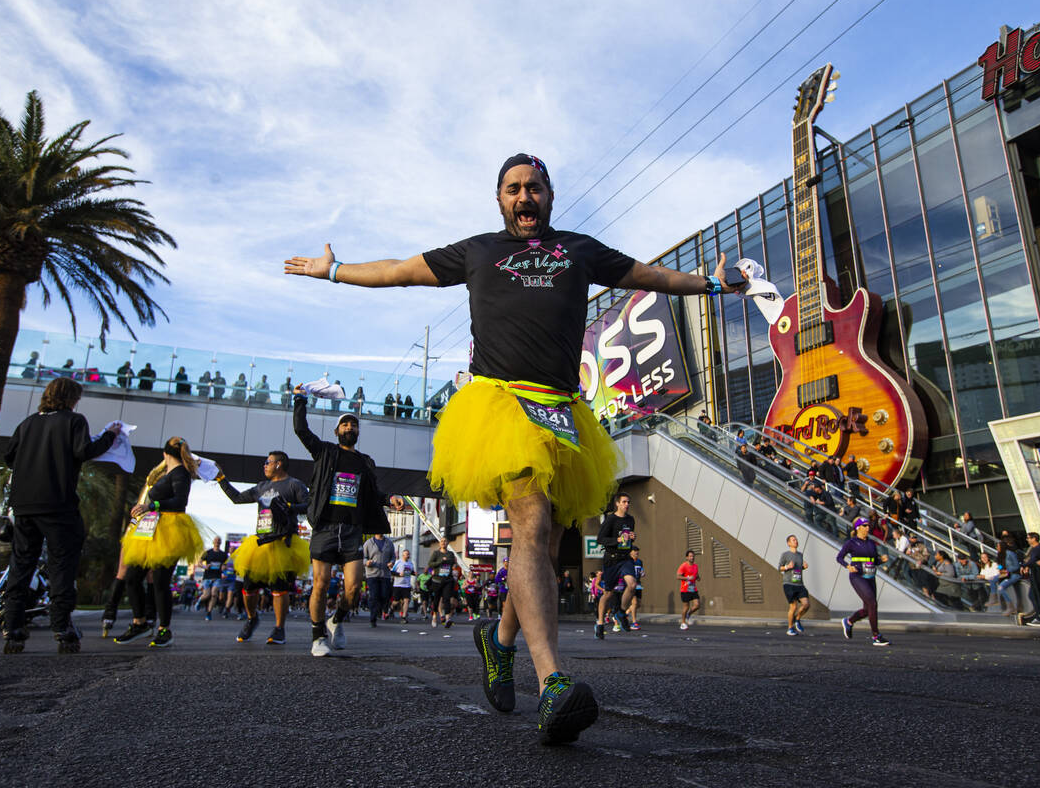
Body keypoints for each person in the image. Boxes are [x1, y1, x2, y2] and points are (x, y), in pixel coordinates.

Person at [283, 151, 739, 744]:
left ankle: (498, 642)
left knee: (546, 542)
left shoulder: (580, 249)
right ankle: (552, 682)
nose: (524, 197)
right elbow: (398, 270)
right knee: (530, 519)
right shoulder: (477, 251)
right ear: (499, 199)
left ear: (550, 196)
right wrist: (335, 269)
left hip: (562, 408)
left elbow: (651, 277)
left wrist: (711, 283)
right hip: (500, 405)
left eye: (534, 188)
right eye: (513, 189)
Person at [2, 378, 120, 653]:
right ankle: (61, 626)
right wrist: (110, 435)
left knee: (21, 564)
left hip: (24, 505)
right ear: (71, 398)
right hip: (57, 503)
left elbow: (10, 457)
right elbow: (85, 450)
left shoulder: (28, 423)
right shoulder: (74, 421)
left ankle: (13, 626)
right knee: (62, 565)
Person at [294, 397, 403, 656]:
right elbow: (301, 429)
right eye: (345, 425)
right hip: (326, 528)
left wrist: (389, 498)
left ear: (358, 432)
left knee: (354, 589)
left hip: (353, 530)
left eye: (353, 425)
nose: (349, 428)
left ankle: (337, 619)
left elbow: (373, 492)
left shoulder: (365, 461)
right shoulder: (325, 451)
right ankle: (318, 635)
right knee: (320, 583)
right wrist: (300, 400)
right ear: (336, 431)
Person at [112, 437, 206, 647]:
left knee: (161, 582)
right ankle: (140, 622)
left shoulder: (180, 473)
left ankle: (164, 629)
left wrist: (151, 505)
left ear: (164, 454)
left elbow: (180, 502)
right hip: (151, 530)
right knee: (133, 577)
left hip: (169, 531)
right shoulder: (167, 474)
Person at [218, 450, 310, 645]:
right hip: (260, 543)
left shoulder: (295, 485)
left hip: (283, 543)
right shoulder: (261, 487)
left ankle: (279, 628)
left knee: (279, 588)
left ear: (278, 464)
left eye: (268, 462)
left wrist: (290, 506)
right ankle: (252, 618)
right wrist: (221, 479)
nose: (264, 465)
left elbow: (309, 506)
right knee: (249, 586)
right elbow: (236, 498)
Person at [836, 518, 891, 646]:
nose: (868, 528)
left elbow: (873, 560)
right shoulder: (852, 542)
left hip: (870, 576)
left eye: (868, 526)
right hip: (857, 576)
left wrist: (881, 560)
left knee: (868, 609)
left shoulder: (871, 543)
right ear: (858, 528)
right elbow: (839, 557)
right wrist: (847, 566)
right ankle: (876, 636)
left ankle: (849, 621)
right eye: (865, 526)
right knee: (873, 603)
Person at [596, 493, 638, 640]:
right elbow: (600, 539)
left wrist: (632, 537)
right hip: (611, 559)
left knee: (632, 585)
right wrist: (617, 539)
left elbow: (629, 537)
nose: (627, 504)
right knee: (608, 593)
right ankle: (600, 623)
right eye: (624, 502)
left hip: (625, 558)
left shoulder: (630, 519)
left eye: (628, 502)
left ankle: (620, 611)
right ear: (617, 504)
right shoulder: (610, 519)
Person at [362, 531, 396, 627]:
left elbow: (393, 556)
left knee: (385, 595)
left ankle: (379, 608)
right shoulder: (368, 543)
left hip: (385, 574)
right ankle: (373, 619)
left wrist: (392, 562)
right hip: (372, 574)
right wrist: (366, 562)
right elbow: (363, 557)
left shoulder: (389, 543)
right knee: (374, 595)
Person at [778, 535, 809, 635]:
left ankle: (797, 619)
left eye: (796, 539)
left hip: (799, 583)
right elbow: (779, 568)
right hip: (789, 583)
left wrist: (804, 567)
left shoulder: (800, 555)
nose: (795, 541)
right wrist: (787, 566)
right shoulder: (785, 555)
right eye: (793, 540)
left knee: (806, 604)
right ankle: (790, 628)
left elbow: (798, 569)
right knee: (793, 607)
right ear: (789, 543)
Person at [428, 537, 459, 628]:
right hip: (437, 580)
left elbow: (453, 562)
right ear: (439, 543)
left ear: (447, 543)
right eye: (441, 541)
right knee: (436, 599)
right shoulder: (436, 553)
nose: (443, 543)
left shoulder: (450, 554)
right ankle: (434, 617)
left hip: (447, 580)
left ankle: (447, 618)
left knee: (447, 599)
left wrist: (448, 561)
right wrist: (441, 561)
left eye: (445, 541)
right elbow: (430, 564)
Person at [197, 536, 228, 621]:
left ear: (221, 543)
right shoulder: (207, 552)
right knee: (207, 595)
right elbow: (199, 563)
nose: (217, 542)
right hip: (207, 577)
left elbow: (226, 565)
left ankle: (209, 613)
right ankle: (200, 600)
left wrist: (224, 568)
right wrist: (204, 566)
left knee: (214, 594)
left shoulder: (223, 554)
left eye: (219, 540)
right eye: (216, 540)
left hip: (217, 577)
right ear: (213, 542)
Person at [676, 550, 701, 630]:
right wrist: (687, 578)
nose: (692, 557)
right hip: (685, 589)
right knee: (686, 607)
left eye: (693, 556)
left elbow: (696, 575)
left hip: (693, 588)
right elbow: (678, 576)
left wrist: (698, 577)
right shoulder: (683, 566)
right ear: (687, 557)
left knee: (697, 605)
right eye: (690, 556)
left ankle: (688, 615)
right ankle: (683, 623)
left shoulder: (695, 566)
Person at [391, 549, 416, 622]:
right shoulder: (398, 562)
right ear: (403, 555)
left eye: (408, 554)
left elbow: (410, 572)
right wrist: (399, 574)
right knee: (396, 601)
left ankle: (404, 617)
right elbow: (392, 572)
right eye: (406, 554)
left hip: (406, 585)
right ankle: (392, 608)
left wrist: (414, 573)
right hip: (398, 585)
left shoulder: (410, 563)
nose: (407, 555)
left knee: (406, 600)